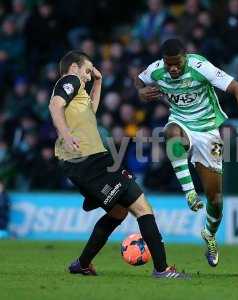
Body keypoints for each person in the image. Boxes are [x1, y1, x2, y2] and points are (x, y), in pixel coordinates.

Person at [49, 50, 186, 279]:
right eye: (87, 70)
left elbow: (90, 110)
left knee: (119, 212)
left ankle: (82, 263)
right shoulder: (69, 80)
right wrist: (65, 134)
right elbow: (55, 106)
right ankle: (162, 269)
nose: (89, 76)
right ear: (74, 68)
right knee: (143, 208)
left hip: (83, 164)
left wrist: (99, 82)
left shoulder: (78, 93)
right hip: (90, 160)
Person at [135, 38, 238, 267]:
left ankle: (209, 235)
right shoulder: (156, 70)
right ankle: (189, 193)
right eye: (169, 64)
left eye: (177, 64)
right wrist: (140, 92)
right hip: (180, 122)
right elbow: (138, 80)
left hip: (209, 131)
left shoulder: (201, 68)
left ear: (186, 58)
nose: (173, 68)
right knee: (170, 133)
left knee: (215, 199)